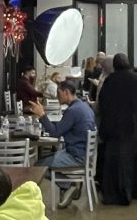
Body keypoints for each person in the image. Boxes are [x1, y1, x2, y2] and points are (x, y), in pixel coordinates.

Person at [29, 81, 97, 209]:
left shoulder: (72, 111)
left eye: (59, 93)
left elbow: (55, 133)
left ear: (66, 92)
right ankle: (70, 186)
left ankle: (70, 185)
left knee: (38, 166)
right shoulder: (84, 107)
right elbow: (61, 128)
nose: (57, 96)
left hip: (76, 155)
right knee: (45, 160)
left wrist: (42, 115)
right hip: (84, 153)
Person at [97, 53, 137, 205]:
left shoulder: (110, 80)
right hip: (134, 127)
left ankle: (114, 194)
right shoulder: (136, 79)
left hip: (114, 128)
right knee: (135, 161)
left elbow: (103, 104)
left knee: (115, 162)